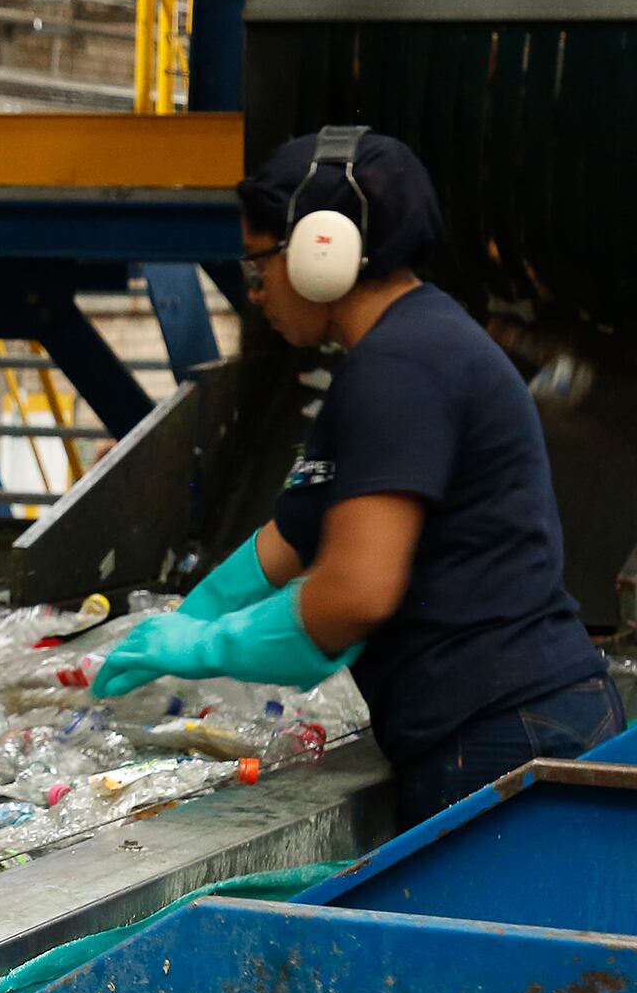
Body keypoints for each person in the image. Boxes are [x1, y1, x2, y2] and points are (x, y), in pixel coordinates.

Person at [96, 127, 620, 826]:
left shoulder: (399, 368)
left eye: (258, 265)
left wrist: (205, 647)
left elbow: (354, 595)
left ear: (324, 250)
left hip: (503, 733)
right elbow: (290, 537)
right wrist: (182, 620)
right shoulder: (405, 347)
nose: (255, 291)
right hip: (515, 720)